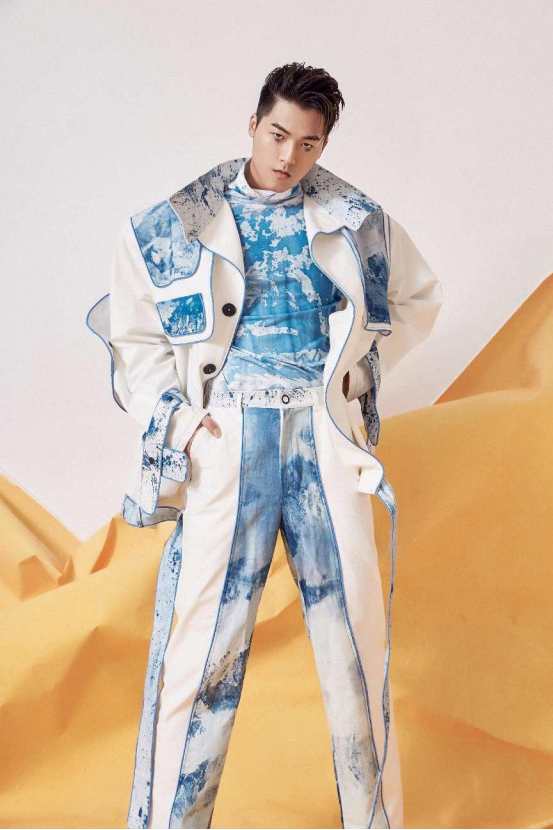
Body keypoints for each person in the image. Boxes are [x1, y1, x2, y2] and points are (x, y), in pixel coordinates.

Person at [86, 62, 443, 830]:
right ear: (252, 124)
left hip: (321, 440)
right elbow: (132, 331)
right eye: (277, 135)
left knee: (355, 644)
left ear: (323, 145)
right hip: (228, 439)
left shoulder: (354, 218)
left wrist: (354, 373)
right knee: (199, 653)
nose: (288, 156)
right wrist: (179, 419)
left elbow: (417, 296)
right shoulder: (176, 222)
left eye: (307, 144)